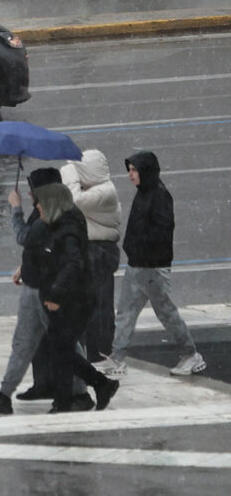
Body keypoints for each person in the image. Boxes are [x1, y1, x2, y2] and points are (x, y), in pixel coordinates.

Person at [0, 168, 93, 415]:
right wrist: (24, 267)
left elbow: (28, 238)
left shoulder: (54, 215)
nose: (30, 195)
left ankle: (82, 391)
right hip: (36, 287)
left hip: (45, 291)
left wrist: (15, 208)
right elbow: (39, 249)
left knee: (63, 344)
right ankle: (4, 394)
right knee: (25, 343)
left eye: (33, 189)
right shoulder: (48, 211)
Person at [95, 151, 205, 377]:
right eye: (129, 170)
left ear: (146, 171)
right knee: (126, 312)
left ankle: (190, 354)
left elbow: (162, 231)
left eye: (134, 170)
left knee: (165, 312)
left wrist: (140, 247)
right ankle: (117, 358)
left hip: (152, 267)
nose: (130, 174)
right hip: (138, 265)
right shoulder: (144, 192)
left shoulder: (159, 195)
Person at [35, 184, 120, 413]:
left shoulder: (67, 230)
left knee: (60, 349)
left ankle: (71, 398)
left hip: (74, 300)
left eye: (40, 202)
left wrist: (55, 294)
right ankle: (94, 387)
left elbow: (73, 265)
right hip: (72, 297)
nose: (37, 206)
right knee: (60, 349)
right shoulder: (62, 223)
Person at [61, 150, 122, 363]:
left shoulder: (106, 191)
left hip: (100, 252)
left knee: (100, 305)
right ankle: (91, 349)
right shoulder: (96, 190)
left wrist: (70, 174)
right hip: (90, 251)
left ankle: (101, 351)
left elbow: (74, 201)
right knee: (86, 304)